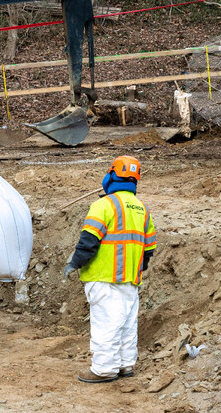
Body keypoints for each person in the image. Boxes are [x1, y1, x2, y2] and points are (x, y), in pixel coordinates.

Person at [63, 155, 156, 384]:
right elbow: (149, 248)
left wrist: (74, 263)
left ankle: (104, 369)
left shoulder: (103, 205)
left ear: (112, 174)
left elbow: (88, 241)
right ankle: (125, 365)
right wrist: (137, 268)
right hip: (130, 279)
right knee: (126, 324)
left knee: (106, 324)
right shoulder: (142, 209)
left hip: (104, 277)